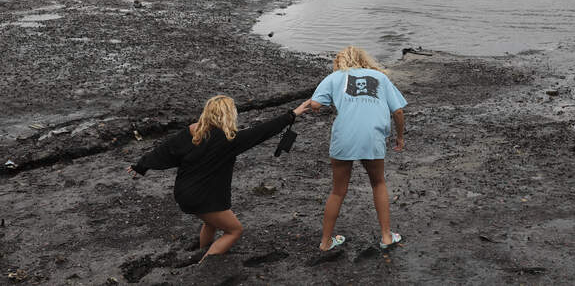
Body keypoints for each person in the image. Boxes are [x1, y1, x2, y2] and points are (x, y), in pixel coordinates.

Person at [129, 95, 313, 258]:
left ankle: (204, 249)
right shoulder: (229, 140)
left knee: (211, 223)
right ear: (228, 115)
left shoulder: (192, 131)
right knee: (235, 230)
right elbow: (263, 131)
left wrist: (141, 166)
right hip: (203, 197)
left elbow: (165, 151)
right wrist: (293, 114)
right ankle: (205, 265)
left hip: (185, 192)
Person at [305, 46, 407, 251]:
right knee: (378, 183)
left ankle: (325, 242)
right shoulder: (380, 78)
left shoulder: (335, 77)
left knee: (338, 190)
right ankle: (386, 237)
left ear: (339, 62)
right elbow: (398, 111)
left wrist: (335, 102)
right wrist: (400, 136)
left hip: (344, 137)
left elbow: (315, 104)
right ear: (363, 59)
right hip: (372, 136)